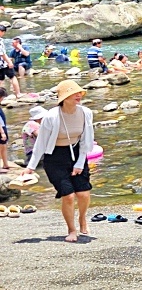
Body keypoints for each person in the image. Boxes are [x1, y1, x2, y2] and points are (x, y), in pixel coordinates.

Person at [22, 80, 96, 242]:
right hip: (54, 157)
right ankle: (71, 230)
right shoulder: (51, 116)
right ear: (64, 97)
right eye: (74, 93)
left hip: (77, 153)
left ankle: (82, 218)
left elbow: (86, 140)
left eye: (79, 93)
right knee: (68, 195)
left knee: (83, 193)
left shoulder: (86, 113)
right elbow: (40, 143)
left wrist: (79, 163)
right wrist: (31, 167)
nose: (79, 95)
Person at [0, 88, 9, 173]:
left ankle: (5, 164)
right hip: (1, 129)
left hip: (3, 127)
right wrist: (2, 132)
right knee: (2, 147)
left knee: (4, 146)